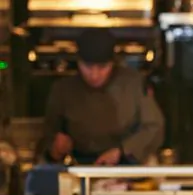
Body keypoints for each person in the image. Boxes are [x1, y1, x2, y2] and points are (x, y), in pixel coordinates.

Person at [42, 28, 164, 166]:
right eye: (87, 66)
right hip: (81, 166)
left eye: (102, 67)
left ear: (113, 63)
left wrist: (122, 150)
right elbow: (48, 137)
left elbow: (154, 127)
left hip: (128, 164)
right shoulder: (63, 90)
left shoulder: (133, 84)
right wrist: (56, 149)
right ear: (78, 62)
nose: (94, 75)